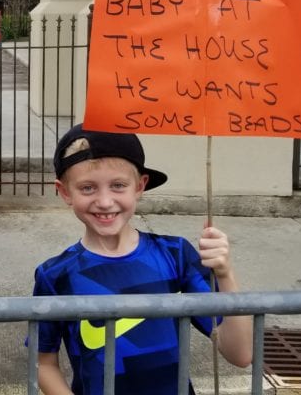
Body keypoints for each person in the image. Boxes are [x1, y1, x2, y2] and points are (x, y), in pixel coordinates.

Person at [33, 126, 253, 395]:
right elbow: (43, 363)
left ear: (140, 186)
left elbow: (240, 353)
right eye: (87, 188)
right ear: (65, 192)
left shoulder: (176, 255)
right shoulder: (55, 274)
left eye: (118, 185)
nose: (104, 201)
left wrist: (225, 273)